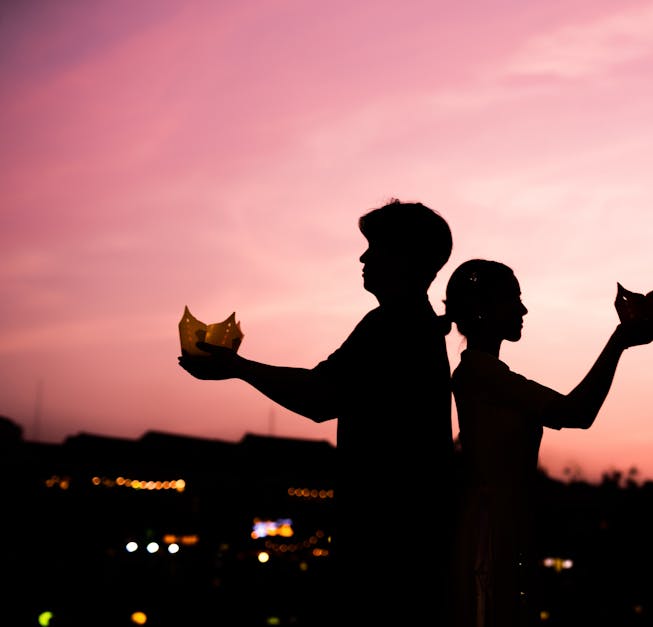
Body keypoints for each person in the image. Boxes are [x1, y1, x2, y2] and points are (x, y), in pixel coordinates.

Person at [178, 199, 456, 627]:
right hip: (408, 541)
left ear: (406, 258)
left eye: (375, 246)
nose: (363, 257)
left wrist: (237, 367)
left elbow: (321, 396)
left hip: (386, 544)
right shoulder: (411, 325)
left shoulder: (393, 326)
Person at [443, 259, 653, 627]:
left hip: (499, 519)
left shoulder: (481, 372)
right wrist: (618, 342)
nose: (523, 309)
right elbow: (575, 412)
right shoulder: (480, 372)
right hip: (491, 527)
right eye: (513, 300)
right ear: (483, 309)